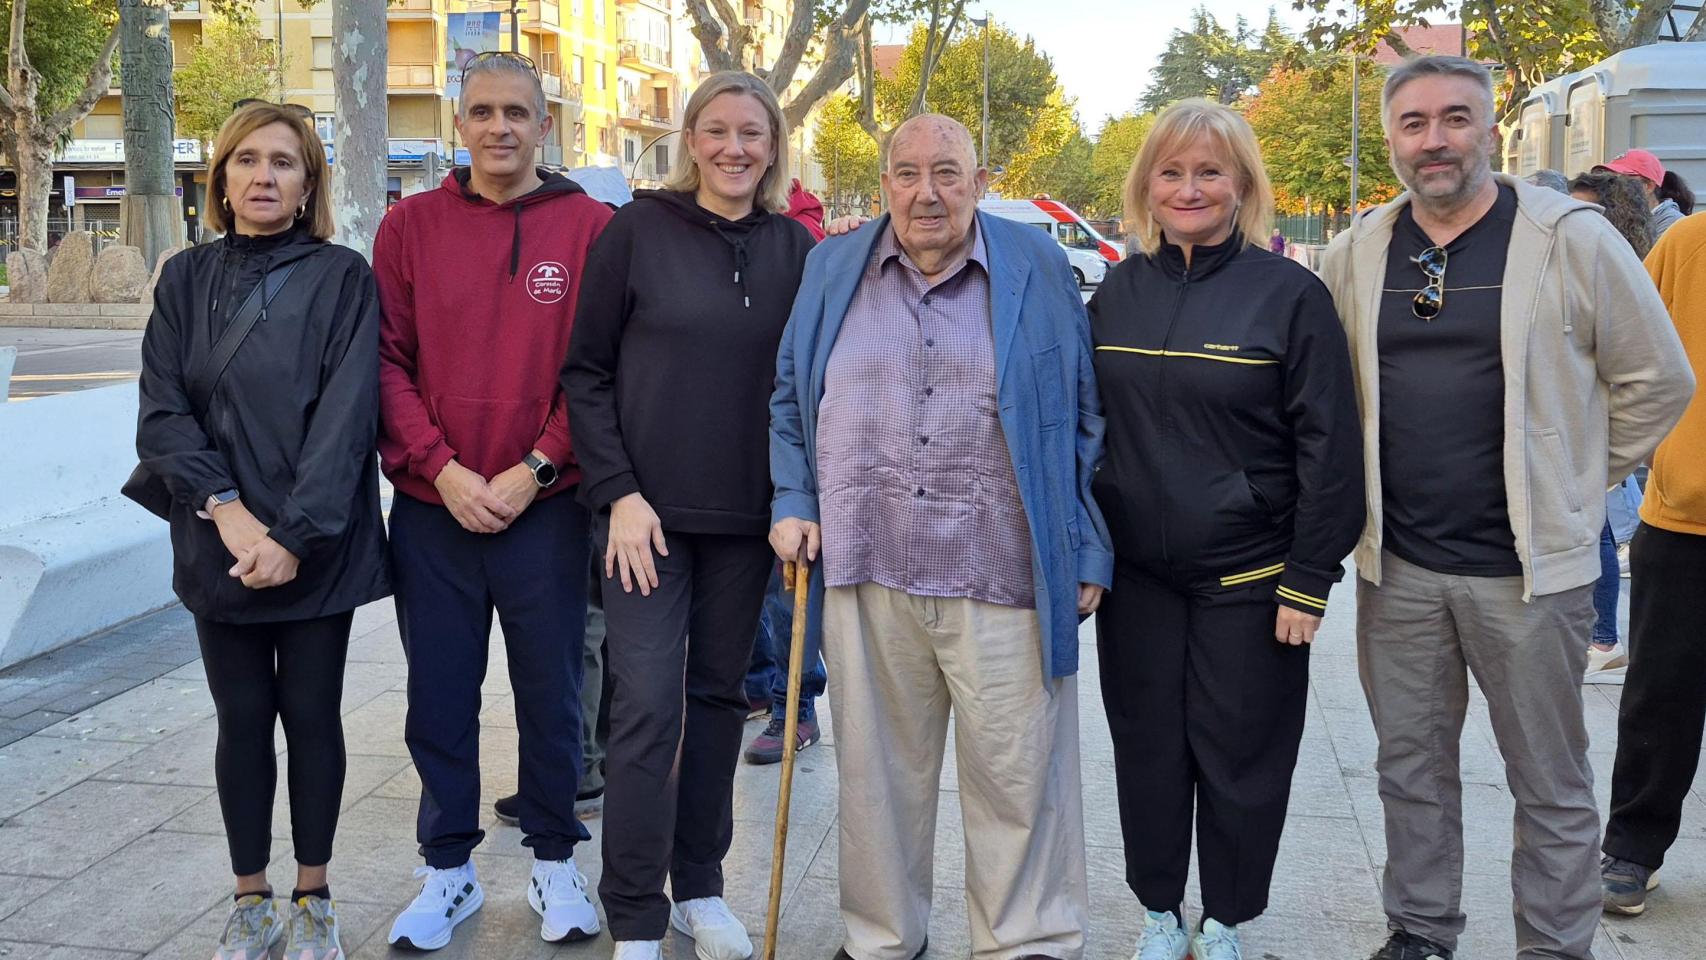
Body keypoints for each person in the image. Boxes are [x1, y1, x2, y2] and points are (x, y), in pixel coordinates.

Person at [1317, 56, 1694, 960]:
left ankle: (1554, 945)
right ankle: (1419, 931)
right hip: (1398, 572)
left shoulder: (1570, 237)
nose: (1434, 139)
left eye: (1455, 118)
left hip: (1531, 580)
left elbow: (1659, 379)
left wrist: (1572, 478)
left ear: (1489, 130)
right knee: (1409, 772)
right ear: (1394, 138)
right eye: (1413, 123)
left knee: (1550, 782)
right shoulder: (1358, 250)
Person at [770, 113, 1114, 960]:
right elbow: (789, 393)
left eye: (947, 173)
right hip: (866, 554)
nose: (927, 193)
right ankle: (883, 939)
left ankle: (1025, 941)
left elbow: (1083, 414)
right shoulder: (831, 267)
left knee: (1018, 776)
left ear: (980, 179)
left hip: (1002, 557)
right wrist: (792, 495)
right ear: (884, 181)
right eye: (907, 173)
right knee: (877, 777)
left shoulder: (1034, 265)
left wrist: (1087, 545)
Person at [1089, 99, 1364, 960]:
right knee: (1148, 751)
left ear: (1243, 184)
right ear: (1145, 186)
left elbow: (1331, 442)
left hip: (1252, 578)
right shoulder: (1118, 293)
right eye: (1171, 171)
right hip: (1137, 577)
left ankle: (1226, 919)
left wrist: (1310, 575)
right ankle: (1160, 911)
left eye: (1210, 171)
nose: (1189, 188)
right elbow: (1081, 425)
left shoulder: (1290, 296)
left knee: (1242, 758)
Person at [562, 70, 816, 960]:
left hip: (747, 522)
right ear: (690, 138)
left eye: (753, 132)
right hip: (645, 523)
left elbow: (809, 388)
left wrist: (798, 504)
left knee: (718, 701)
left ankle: (698, 887)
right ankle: (633, 911)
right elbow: (585, 373)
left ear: (775, 145)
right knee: (643, 711)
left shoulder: (797, 249)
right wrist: (618, 494)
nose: (734, 148)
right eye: (717, 130)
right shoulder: (635, 231)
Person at [133, 101, 389, 960]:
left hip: (315, 548)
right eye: (246, 160)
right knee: (240, 720)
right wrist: (231, 514)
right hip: (218, 541)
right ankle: (250, 901)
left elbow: (349, 421)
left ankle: (314, 896)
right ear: (221, 179)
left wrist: (293, 535)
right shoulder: (183, 280)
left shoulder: (343, 276)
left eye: (283, 162)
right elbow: (163, 417)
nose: (262, 177)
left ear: (308, 180)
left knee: (312, 716)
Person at [376, 51, 613, 951]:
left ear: (544, 124)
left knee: (550, 691)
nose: (499, 128)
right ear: (458, 122)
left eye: (517, 111)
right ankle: (448, 870)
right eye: (482, 111)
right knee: (438, 694)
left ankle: (556, 861)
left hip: (545, 508)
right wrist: (441, 470)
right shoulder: (409, 229)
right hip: (435, 508)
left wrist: (537, 470)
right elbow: (387, 363)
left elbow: (599, 370)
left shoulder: (592, 228)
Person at [1601, 210, 1706, 916]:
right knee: (1659, 697)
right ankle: (1632, 850)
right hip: (1684, 517)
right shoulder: (1689, 243)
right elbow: (1623, 355)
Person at [1567, 170, 1658, 682]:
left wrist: (1606, 459)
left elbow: (1660, 378)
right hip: (1593, 433)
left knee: (1599, 529)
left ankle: (1603, 637)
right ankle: (1601, 636)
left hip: (1600, 430)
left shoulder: (1620, 270)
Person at [1595, 149, 1686, 238]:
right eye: (1610, 180)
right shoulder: (1619, 217)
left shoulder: (1672, 224)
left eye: (1622, 180)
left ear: (1649, 186)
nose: (1612, 187)